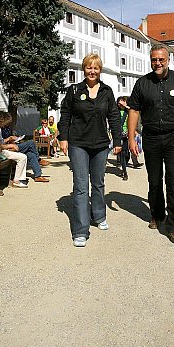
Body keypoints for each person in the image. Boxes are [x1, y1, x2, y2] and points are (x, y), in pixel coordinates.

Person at [128, 44, 174, 245]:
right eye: (154, 60)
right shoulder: (142, 84)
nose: (157, 63)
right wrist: (132, 138)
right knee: (155, 180)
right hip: (150, 137)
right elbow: (134, 110)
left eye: (161, 59)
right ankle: (157, 215)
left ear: (168, 60)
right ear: (150, 60)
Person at [58, 54, 122, 248]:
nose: (92, 71)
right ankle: (80, 230)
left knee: (98, 183)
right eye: (88, 68)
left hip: (101, 144)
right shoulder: (74, 90)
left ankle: (99, 215)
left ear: (100, 70)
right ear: (83, 69)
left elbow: (114, 116)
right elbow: (65, 115)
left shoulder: (107, 91)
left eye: (95, 68)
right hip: (78, 143)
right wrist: (63, 137)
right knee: (80, 185)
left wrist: (117, 140)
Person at [0, 112, 28, 188]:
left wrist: (10, 141)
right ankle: (17, 181)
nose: (6, 125)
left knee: (20, 154)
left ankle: (17, 179)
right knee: (22, 157)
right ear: (2, 120)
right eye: (6, 123)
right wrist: (11, 145)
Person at [117, 96, 130, 181]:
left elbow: (134, 111)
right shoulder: (116, 111)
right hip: (119, 134)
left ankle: (123, 162)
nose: (121, 104)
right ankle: (125, 173)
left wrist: (125, 106)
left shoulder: (128, 111)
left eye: (123, 101)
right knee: (122, 154)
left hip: (127, 135)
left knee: (127, 154)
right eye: (119, 102)